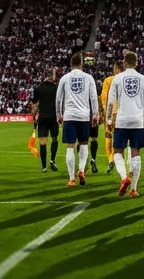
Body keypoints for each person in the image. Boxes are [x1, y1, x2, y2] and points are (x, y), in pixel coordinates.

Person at [106, 51, 144, 197]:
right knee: (136, 153)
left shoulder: (118, 78)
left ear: (124, 63)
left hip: (122, 120)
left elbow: (110, 101)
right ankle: (134, 189)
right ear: (137, 63)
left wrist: (108, 119)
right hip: (138, 121)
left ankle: (124, 177)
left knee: (118, 151)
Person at [56, 51, 100, 187]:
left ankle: (71, 178)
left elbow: (58, 99)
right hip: (83, 116)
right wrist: (95, 114)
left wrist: (59, 114)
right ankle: (81, 169)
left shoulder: (64, 78)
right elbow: (93, 97)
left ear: (71, 64)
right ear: (81, 64)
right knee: (84, 144)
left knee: (70, 146)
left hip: (69, 115)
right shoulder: (88, 77)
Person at [31, 68, 60, 173]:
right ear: (51, 77)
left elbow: (34, 105)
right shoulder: (56, 88)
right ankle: (52, 160)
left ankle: (43, 167)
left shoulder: (38, 89)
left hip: (42, 117)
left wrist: (34, 118)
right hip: (53, 117)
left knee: (43, 142)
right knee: (54, 139)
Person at [100, 61, 122, 173]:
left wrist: (105, 112)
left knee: (108, 136)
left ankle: (110, 159)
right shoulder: (124, 79)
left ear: (117, 68)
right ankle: (115, 157)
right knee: (118, 136)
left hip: (110, 112)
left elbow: (104, 97)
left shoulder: (108, 80)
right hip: (122, 112)